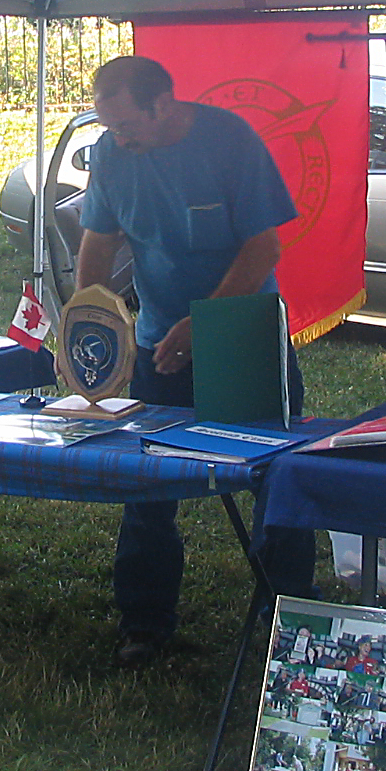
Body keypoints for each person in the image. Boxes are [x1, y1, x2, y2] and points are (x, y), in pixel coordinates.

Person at [74, 55, 311, 668]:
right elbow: (98, 242)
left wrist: (204, 324)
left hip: (243, 336)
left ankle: (290, 620)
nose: (118, 138)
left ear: (164, 103)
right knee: (146, 484)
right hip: (158, 343)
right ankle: (144, 623)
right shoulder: (111, 154)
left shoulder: (231, 141)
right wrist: (89, 321)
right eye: (109, 126)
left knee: (276, 477)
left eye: (127, 125)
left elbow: (264, 246)